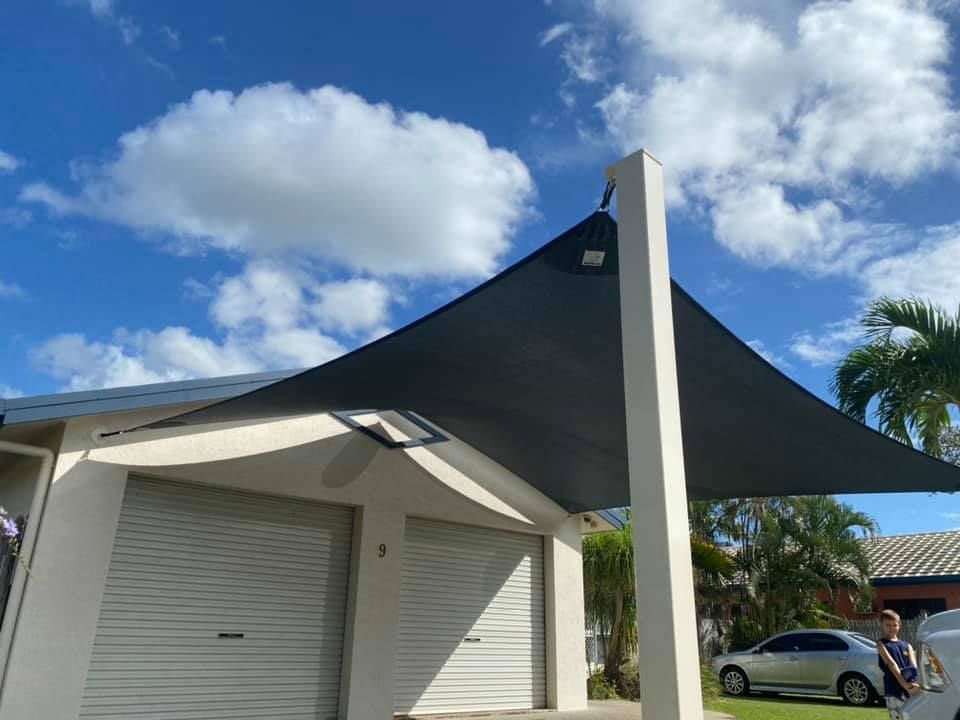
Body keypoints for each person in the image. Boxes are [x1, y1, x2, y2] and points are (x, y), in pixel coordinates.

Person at [876, 609, 920, 719]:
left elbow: (913, 666)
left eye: (894, 625)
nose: (892, 628)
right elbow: (892, 664)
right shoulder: (881, 644)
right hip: (894, 690)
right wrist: (904, 684)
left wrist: (915, 684)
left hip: (911, 689)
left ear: (899, 625)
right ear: (881, 625)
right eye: (888, 625)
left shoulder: (907, 645)